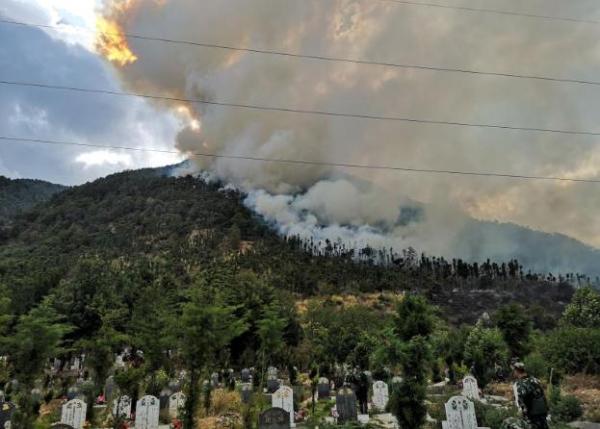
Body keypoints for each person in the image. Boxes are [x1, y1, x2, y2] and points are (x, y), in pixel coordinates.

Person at [512, 361, 549, 429]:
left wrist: (521, 413)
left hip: (531, 418)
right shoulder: (535, 380)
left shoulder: (518, 384)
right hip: (542, 414)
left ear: (516, 371)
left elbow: (521, 403)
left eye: (514, 370)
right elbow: (542, 395)